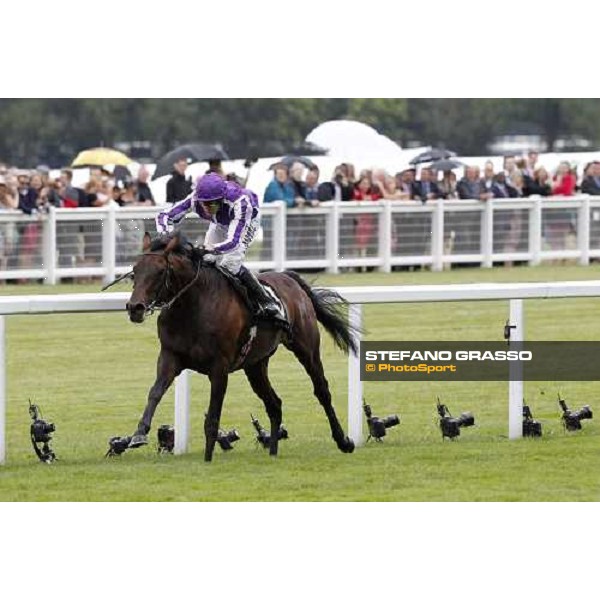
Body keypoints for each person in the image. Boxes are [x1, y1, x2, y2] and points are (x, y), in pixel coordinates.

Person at [156, 173, 282, 323]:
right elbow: (164, 216)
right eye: (205, 204)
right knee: (207, 261)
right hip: (220, 222)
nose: (209, 208)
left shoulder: (240, 203)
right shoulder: (195, 199)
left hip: (247, 221)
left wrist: (208, 249)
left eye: (213, 203)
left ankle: (266, 301)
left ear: (222, 199)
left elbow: (233, 242)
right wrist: (165, 236)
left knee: (229, 264)